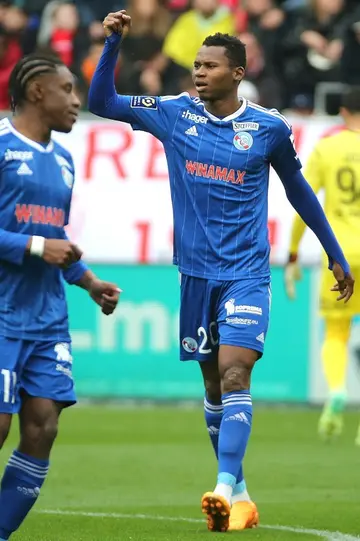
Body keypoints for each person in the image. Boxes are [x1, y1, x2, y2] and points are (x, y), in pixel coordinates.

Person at [88, 11, 354, 533]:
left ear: (237, 73)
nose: (199, 72)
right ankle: (242, 495)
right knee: (213, 385)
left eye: (210, 65)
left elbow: (298, 190)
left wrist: (333, 249)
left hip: (247, 272)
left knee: (236, 371)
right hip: (195, 275)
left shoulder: (268, 128)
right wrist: (113, 45)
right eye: (196, 64)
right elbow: (102, 103)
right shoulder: (172, 113)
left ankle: (224, 486)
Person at [0, 53, 121, 540]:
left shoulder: (66, 162)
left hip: (47, 316)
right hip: (3, 313)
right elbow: (39, 241)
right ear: (37, 93)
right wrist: (35, 246)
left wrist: (88, 281)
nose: (77, 101)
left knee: (43, 426)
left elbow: (54, 236)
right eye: (68, 90)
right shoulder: (3, 147)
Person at [285, 86, 360, 445]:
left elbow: (305, 202)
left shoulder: (329, 147)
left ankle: (337, 390)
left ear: (343, 111)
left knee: (336, 333)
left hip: (342, 256)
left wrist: (294, 253)